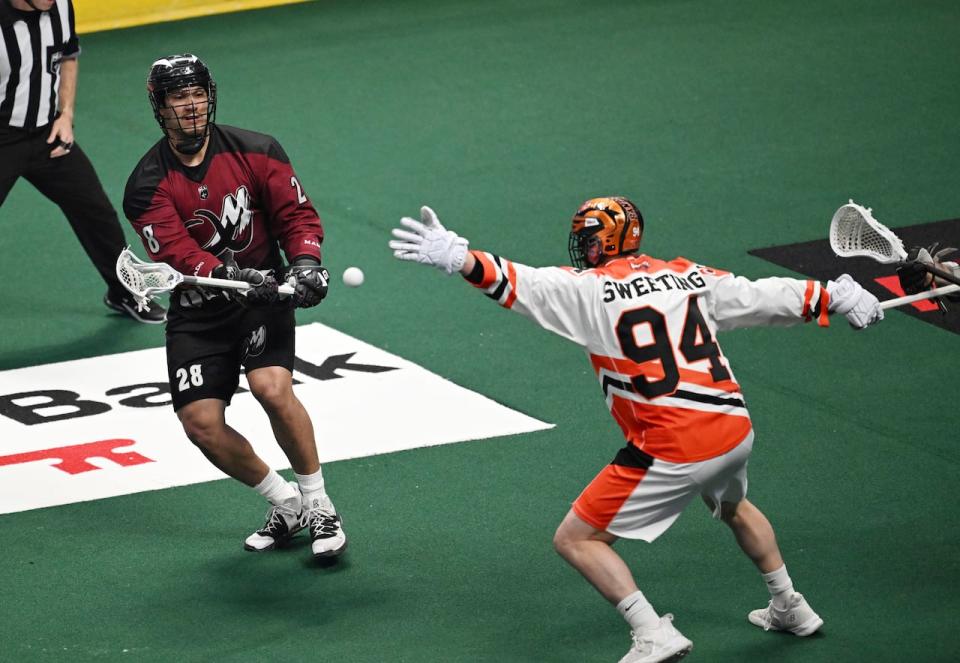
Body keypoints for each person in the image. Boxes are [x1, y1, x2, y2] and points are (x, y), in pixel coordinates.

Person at [389, 198, 883, 662]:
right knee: (732, 505)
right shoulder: (689, 276)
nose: (582, 248)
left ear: (602, 242)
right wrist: (833, 295)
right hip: (733, 430)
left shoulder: (587, 291)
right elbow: (763, 295)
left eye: (586, 239)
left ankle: (652, 631)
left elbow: (520, 283)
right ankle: (790, 606)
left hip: (675, 445)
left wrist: (459, 258)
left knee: (577, 539)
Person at [122, 53, 346, 560]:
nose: (192, 106)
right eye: (179, 97)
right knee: (201, 424)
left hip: (261, 299)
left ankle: (319, 502)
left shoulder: (257, 150)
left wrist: (306, 263)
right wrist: (232, 276)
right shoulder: (145, 186)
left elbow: (296, 215)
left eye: (199, 94)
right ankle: (285, 502)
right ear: (160, 107)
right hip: (199, 311)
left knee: (271, 387)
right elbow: (180, 253)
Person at [0, 0, 165, 324]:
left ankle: (124, 292)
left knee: (96, 211)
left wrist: (66, 115)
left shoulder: (60, 5)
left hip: (49, 134)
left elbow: (68, 56)